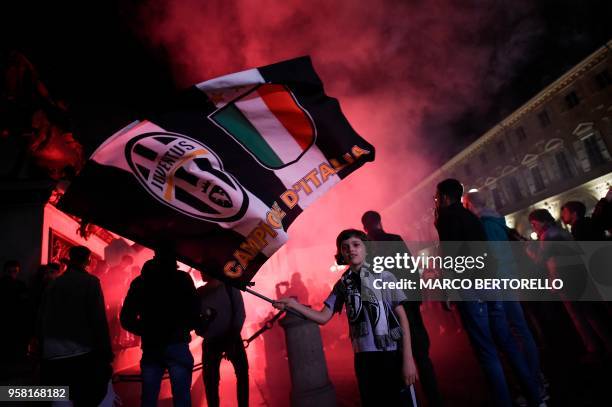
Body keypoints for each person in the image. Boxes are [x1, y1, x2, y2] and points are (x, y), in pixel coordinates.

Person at [274, 229, 418, 407]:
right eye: (345, 247)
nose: (351, 249)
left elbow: (403, 318)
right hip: (363, 358)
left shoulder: (385, 276)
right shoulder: (342, 285)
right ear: (341, 254)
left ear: (366, 248)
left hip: (391, 354)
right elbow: (323, 317)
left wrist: (408, 359)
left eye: (356, 245)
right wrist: (293, 305)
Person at [435, 179, 544, 407]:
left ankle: (504, 401)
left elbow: (452, 257)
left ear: (445, 197)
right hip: (491, 283)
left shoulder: (447, 218)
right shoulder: (473, 218)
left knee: (486, 350)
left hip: (471, 288)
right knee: (507, 342)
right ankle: (535, 396)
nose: (436, 202)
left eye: (437, 197)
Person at [464, 190, 546, 403]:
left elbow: (490, 255)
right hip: (509, 277)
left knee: (510, 334)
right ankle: (535, 378)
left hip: (498, 281)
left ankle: (532, 384)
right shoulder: (497, 219)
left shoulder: (483, 224)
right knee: (522, 330)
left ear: (470, 204)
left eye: (465, 204)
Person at [362, 210, 442, 407]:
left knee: (396, 360)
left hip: (386, 312)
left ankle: (408, 400)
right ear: (380, 222)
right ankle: (434, 400)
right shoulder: (394, 240)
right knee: (421, 355)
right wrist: (416, 301)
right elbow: (411, 271)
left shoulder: (367, 248)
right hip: (407, 304)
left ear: (365, 227)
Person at [528, 209, 612, 360]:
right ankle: (607, 343)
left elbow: (541, 261)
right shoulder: (559, 231)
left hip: (564, 278)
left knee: (578, 316)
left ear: (541, 221)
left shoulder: (547, 236)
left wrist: (530, 252)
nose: (534, 227)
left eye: (534, 224)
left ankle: (593, 347)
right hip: (577, 274)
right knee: (590, 313)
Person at [120, 247, 199, 407]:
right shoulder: (183, 279)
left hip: (151, 347)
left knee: (149, 399)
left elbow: (126, 318)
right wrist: (183, 327)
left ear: (155, 255)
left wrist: (146, 330)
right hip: (178, 344)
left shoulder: (140, 282)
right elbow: (194, 313)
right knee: (182, 398)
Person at [37, 246, 113, 406]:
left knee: (60, 398)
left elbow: (41, 316)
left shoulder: (53, 284)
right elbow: (98, 318)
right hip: (80, 352)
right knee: (83, 397)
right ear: (88, 260)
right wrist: (106, 351)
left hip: (52, 351)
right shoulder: (91, 282)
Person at [196, 272, 249, 407]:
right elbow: (240, 314)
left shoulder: (202, 293)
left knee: (211, 381)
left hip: (217, 340)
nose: (201, 272)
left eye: (203, 270)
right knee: (240, 375)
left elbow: (198, 327)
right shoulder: (227, 287)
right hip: (227, 338)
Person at [0, 260, 29, 366]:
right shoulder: (19, 285)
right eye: (10, 272)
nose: (12, 274)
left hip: (14, 321)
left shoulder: (20, 285)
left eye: (15, 272)